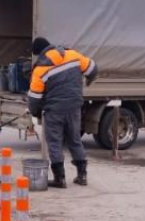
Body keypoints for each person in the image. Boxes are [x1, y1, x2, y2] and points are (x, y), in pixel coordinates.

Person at [28, 37, 98, 188]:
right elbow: (93, 68)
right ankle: (82, 176)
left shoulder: (40, 69)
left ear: (39, 53)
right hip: (74, 108)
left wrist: (35, 112)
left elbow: (34, 98)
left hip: (54, 111)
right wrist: (88, 81)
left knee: (54, 143)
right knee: (74, 140)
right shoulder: (72, 55)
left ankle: (60, 179)